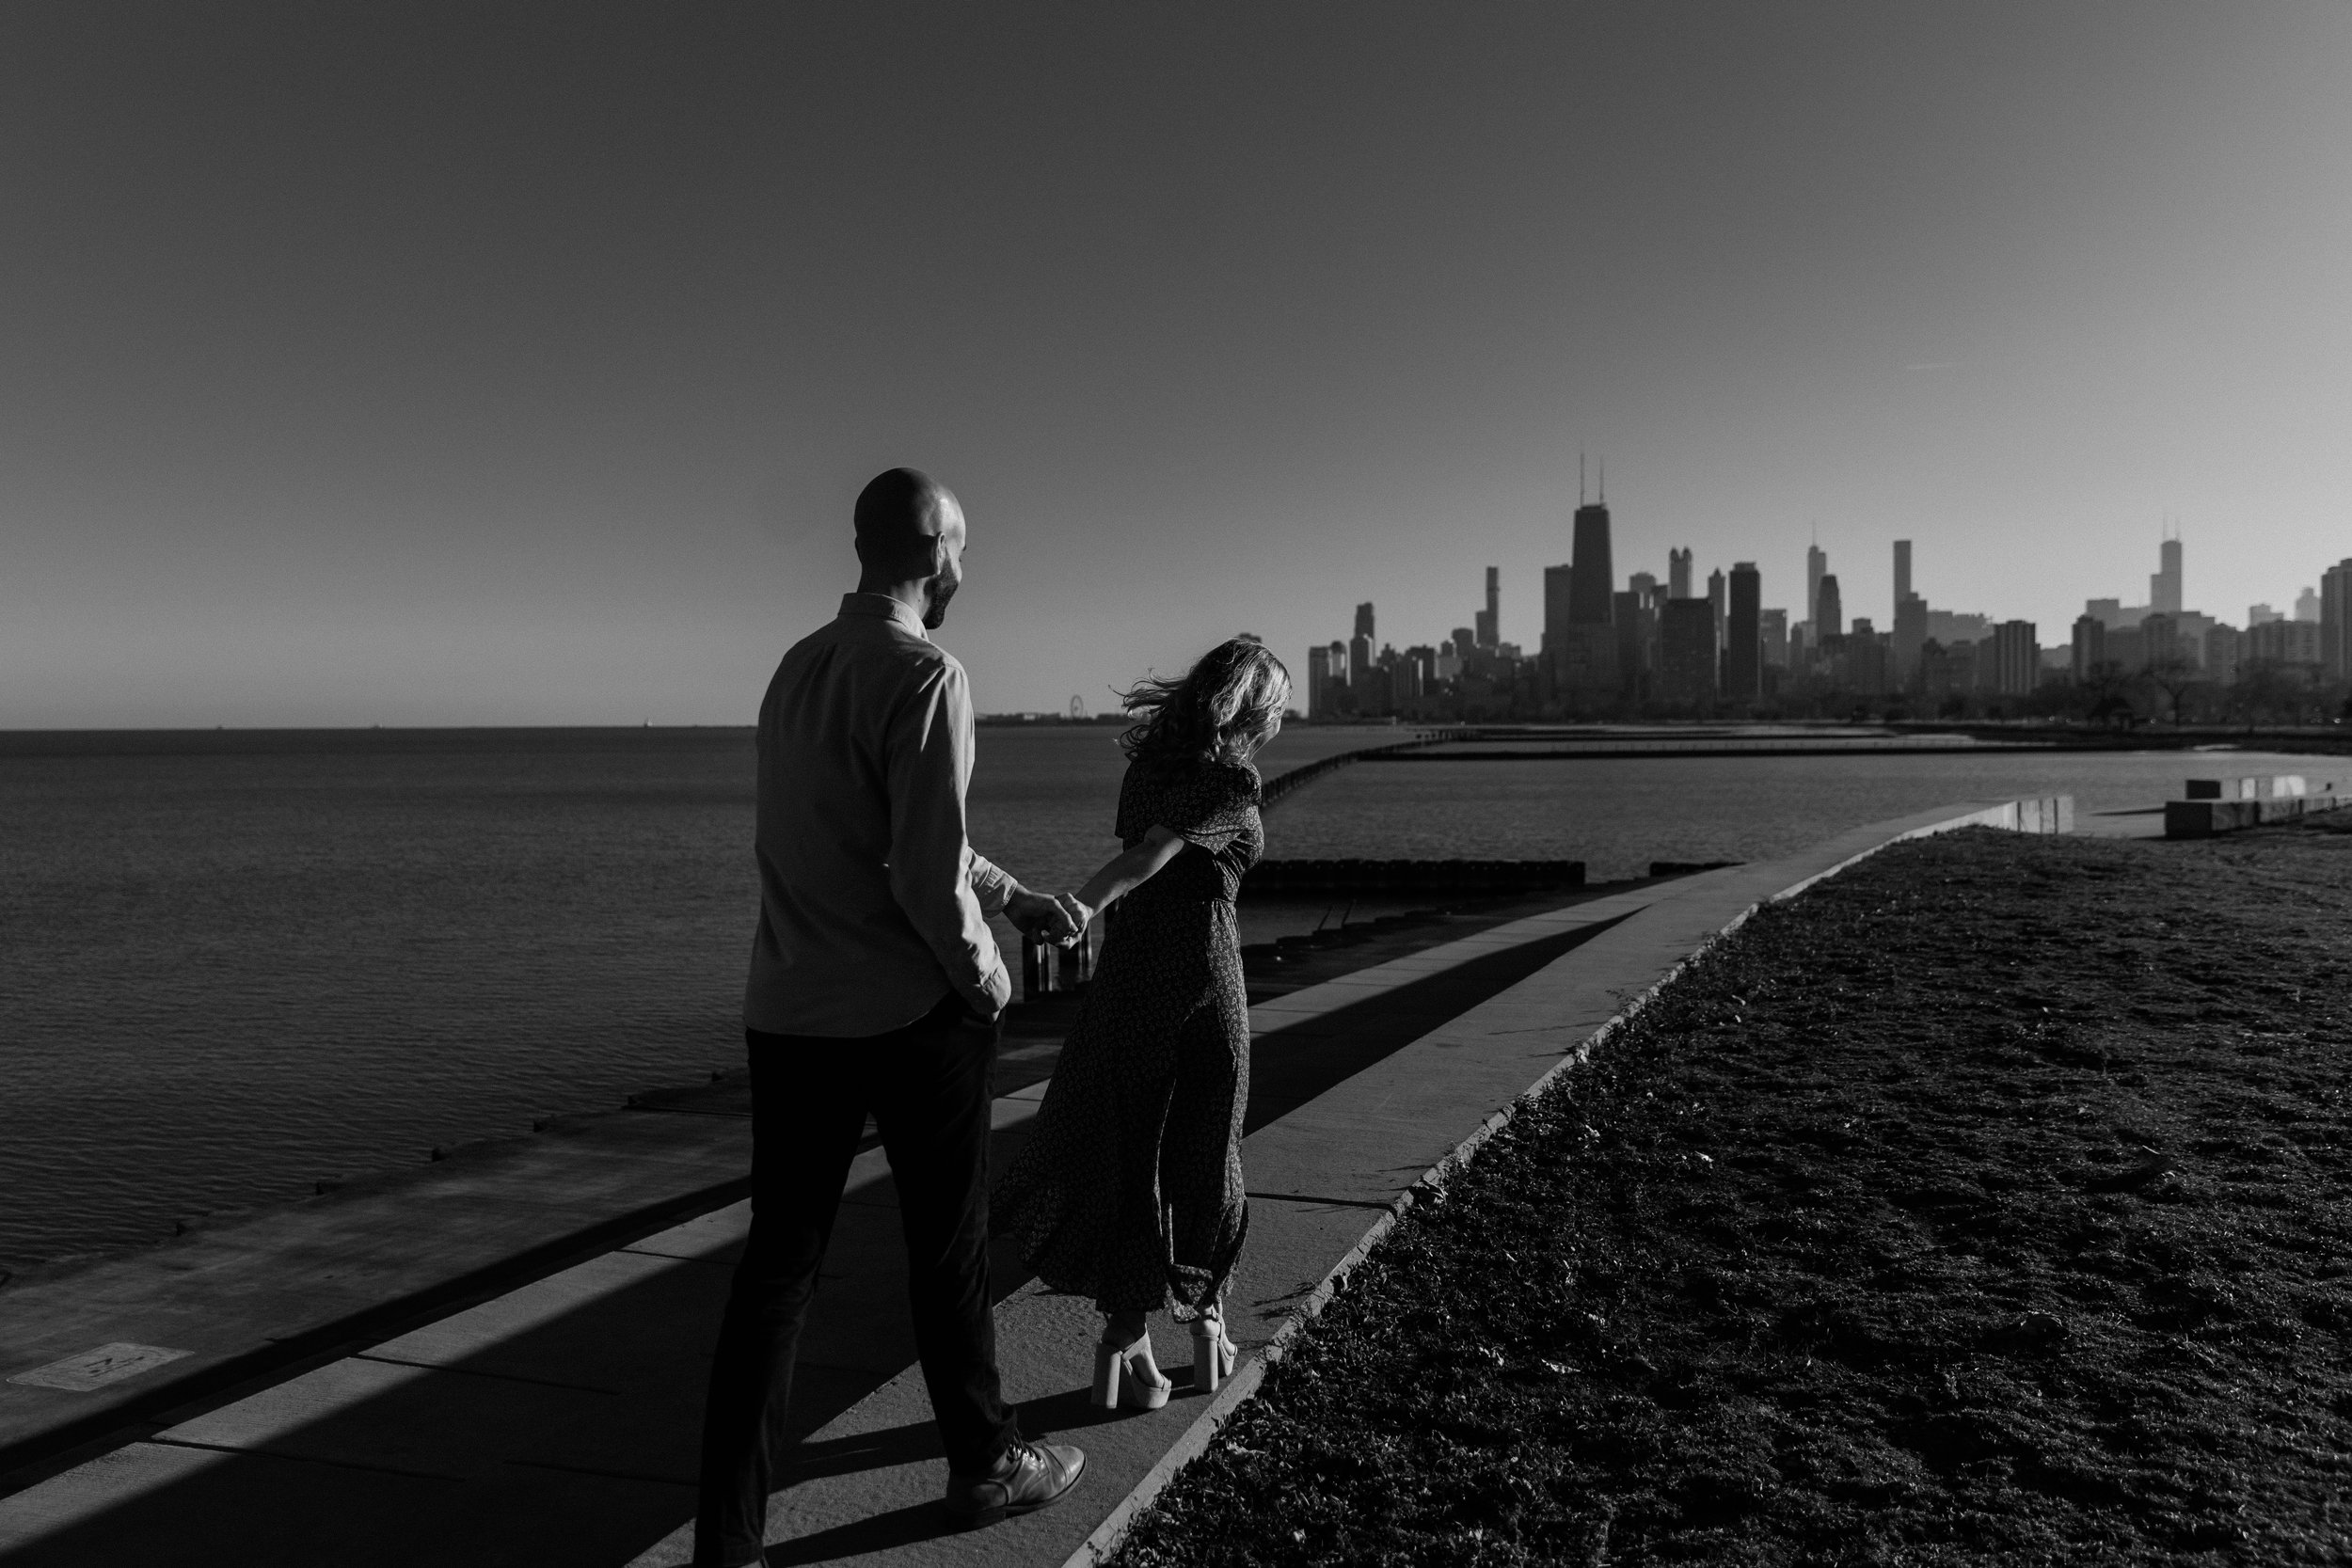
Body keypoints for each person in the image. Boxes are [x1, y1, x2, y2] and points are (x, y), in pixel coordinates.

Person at [691, 467, 1087, 1566]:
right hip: (910, 1015)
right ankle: (984, 1462)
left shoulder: (797, 667)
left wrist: (1010, 894)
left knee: (778, 1271)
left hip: (790, 1006)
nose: (966, 571)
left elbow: (887, 833)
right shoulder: (928, 672)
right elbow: (920, 870)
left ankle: (727, 1543)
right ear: (936, 547)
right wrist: (991, 979)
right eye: (962, 549)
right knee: (946, 1248)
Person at [993, 636, 1289, 1412]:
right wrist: (1084, 903)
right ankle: (1204, 1323)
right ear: (1252, 706)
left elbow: (1142, 853)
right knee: (1206, 1147)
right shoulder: (1231, 780)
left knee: (1133, 1150)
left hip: (1128, 979)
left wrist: (1091, 914)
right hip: (1197, 978)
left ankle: (1125, 1338)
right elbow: (1152, 856)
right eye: (1277, 709)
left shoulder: (1147, 770)